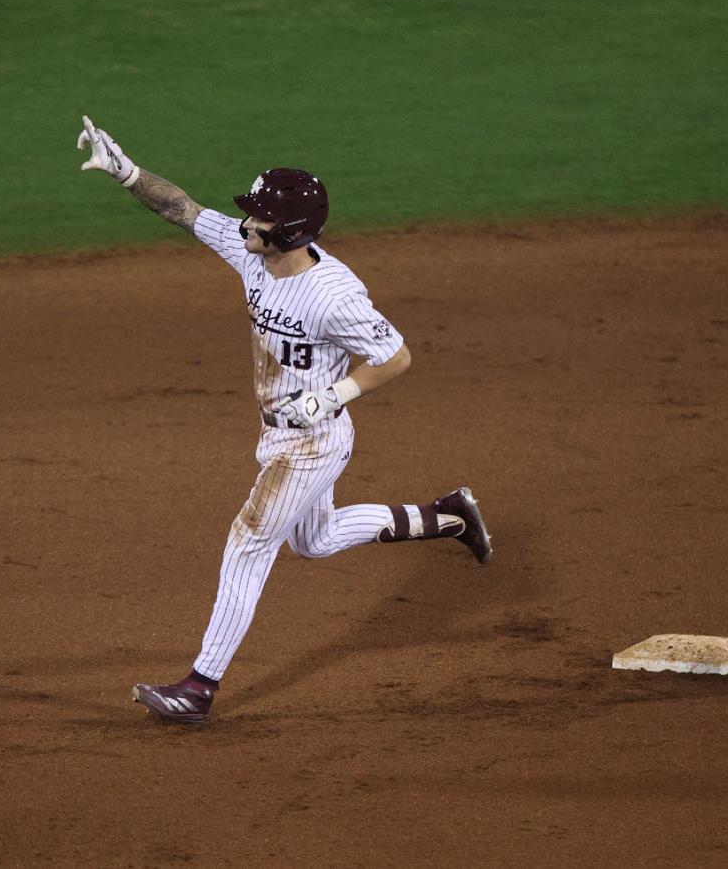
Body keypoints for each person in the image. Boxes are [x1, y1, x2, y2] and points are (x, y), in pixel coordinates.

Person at [77, 116, 492, 727]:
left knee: (249, 542)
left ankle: (199, 687)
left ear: (291, 230)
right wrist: (128, 173)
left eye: (260, 218)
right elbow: (183, 210)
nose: (246, 223)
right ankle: (450, 515)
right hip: (281, 434)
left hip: (314, 442)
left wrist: (329, 398)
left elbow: (395, 355)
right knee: (314, 541)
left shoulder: (333, 295)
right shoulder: (252, 257)